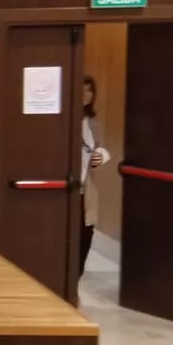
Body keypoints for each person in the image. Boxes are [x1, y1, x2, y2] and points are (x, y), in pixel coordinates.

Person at [79, 76, 110, 274]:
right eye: (82, 89)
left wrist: (103, 156)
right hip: (69, 186)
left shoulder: (94, 124)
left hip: (88, 187)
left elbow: (100, 149)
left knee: (85, 235)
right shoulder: (62, 122)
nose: (86, 94)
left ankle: (76, 281)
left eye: (90, 90)